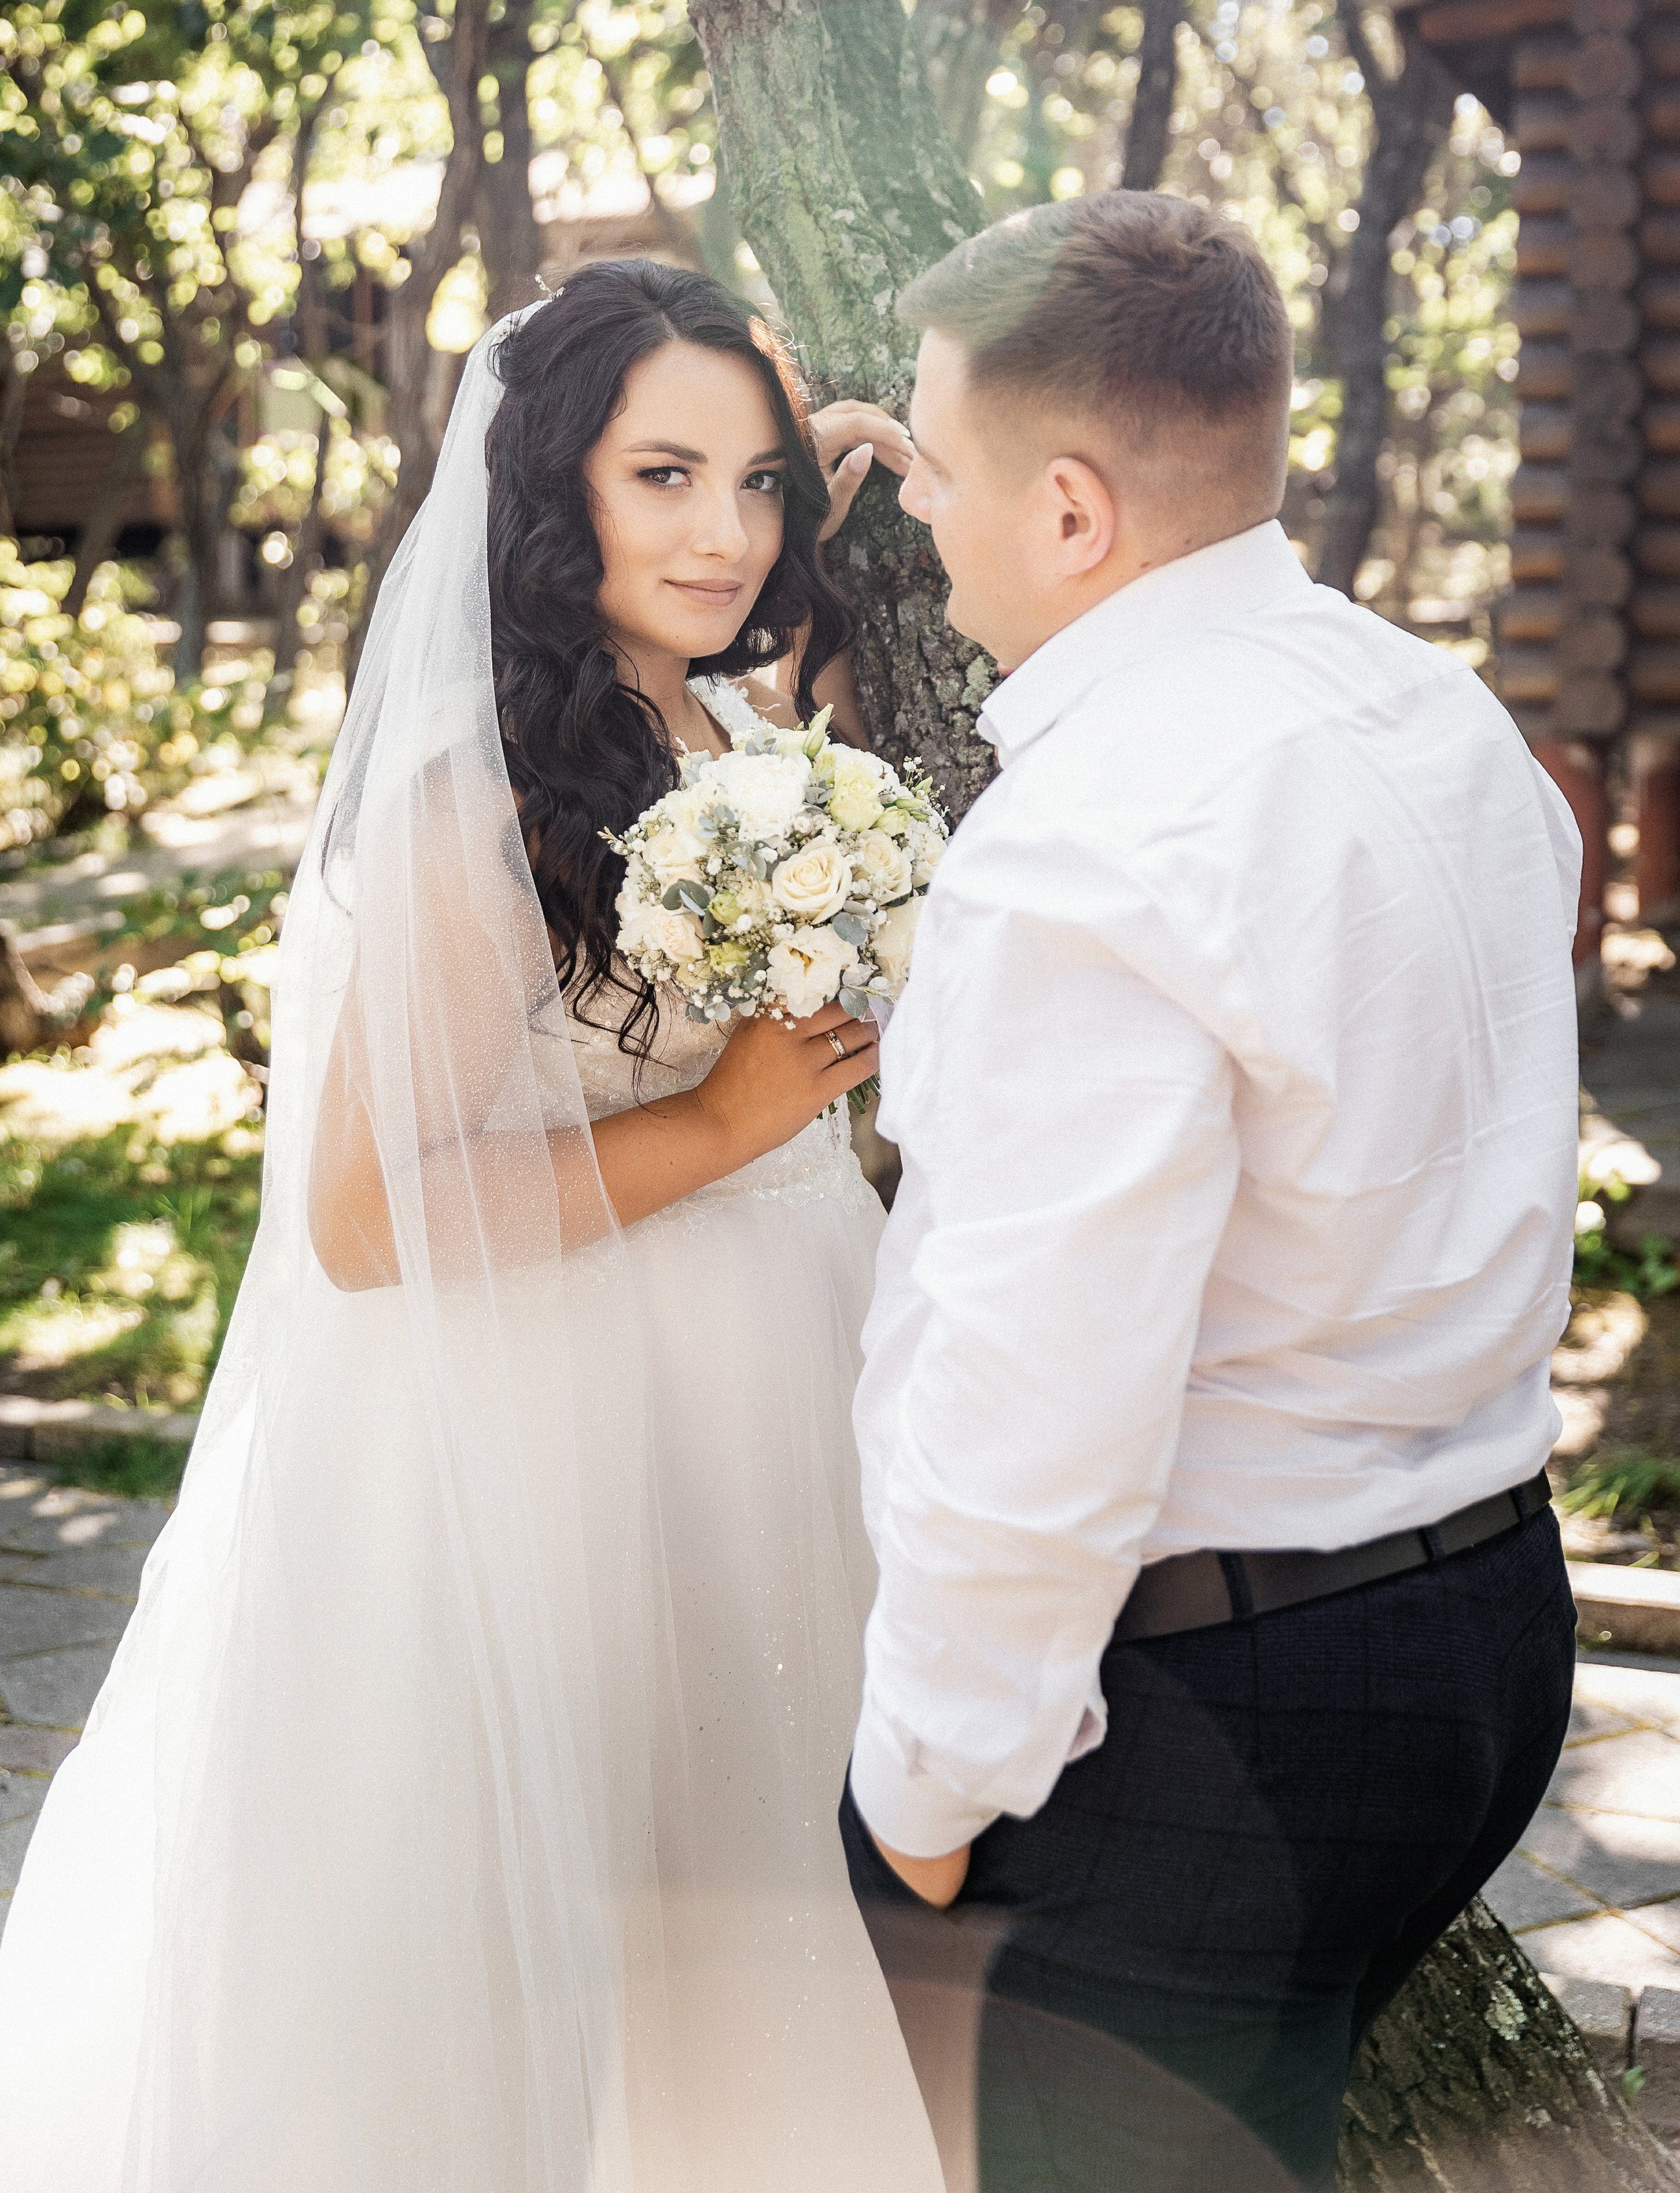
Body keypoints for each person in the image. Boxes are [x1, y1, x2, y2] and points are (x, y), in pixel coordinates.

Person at [0, 261, 942, 2193]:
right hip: (557, 1429)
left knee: (757, 1907)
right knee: (583, 1929)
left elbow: (718, 753)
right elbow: (362, 1218)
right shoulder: (474, 797)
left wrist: (803, 550)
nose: (725, 529)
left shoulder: (702, 728)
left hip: (777, 1393)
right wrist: (725, 1118)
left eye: (757, 484)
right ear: (546, 489)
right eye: (663, 475)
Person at [839, 192, 1581, 2193]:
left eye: (941, 465)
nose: (917, 511)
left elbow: (1041, 1392)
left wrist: (924, 1788)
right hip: (1484, 1627)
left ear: (1073, 515)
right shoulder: (1438, 715)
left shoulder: (1087, 840)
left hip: (1203, 1722)